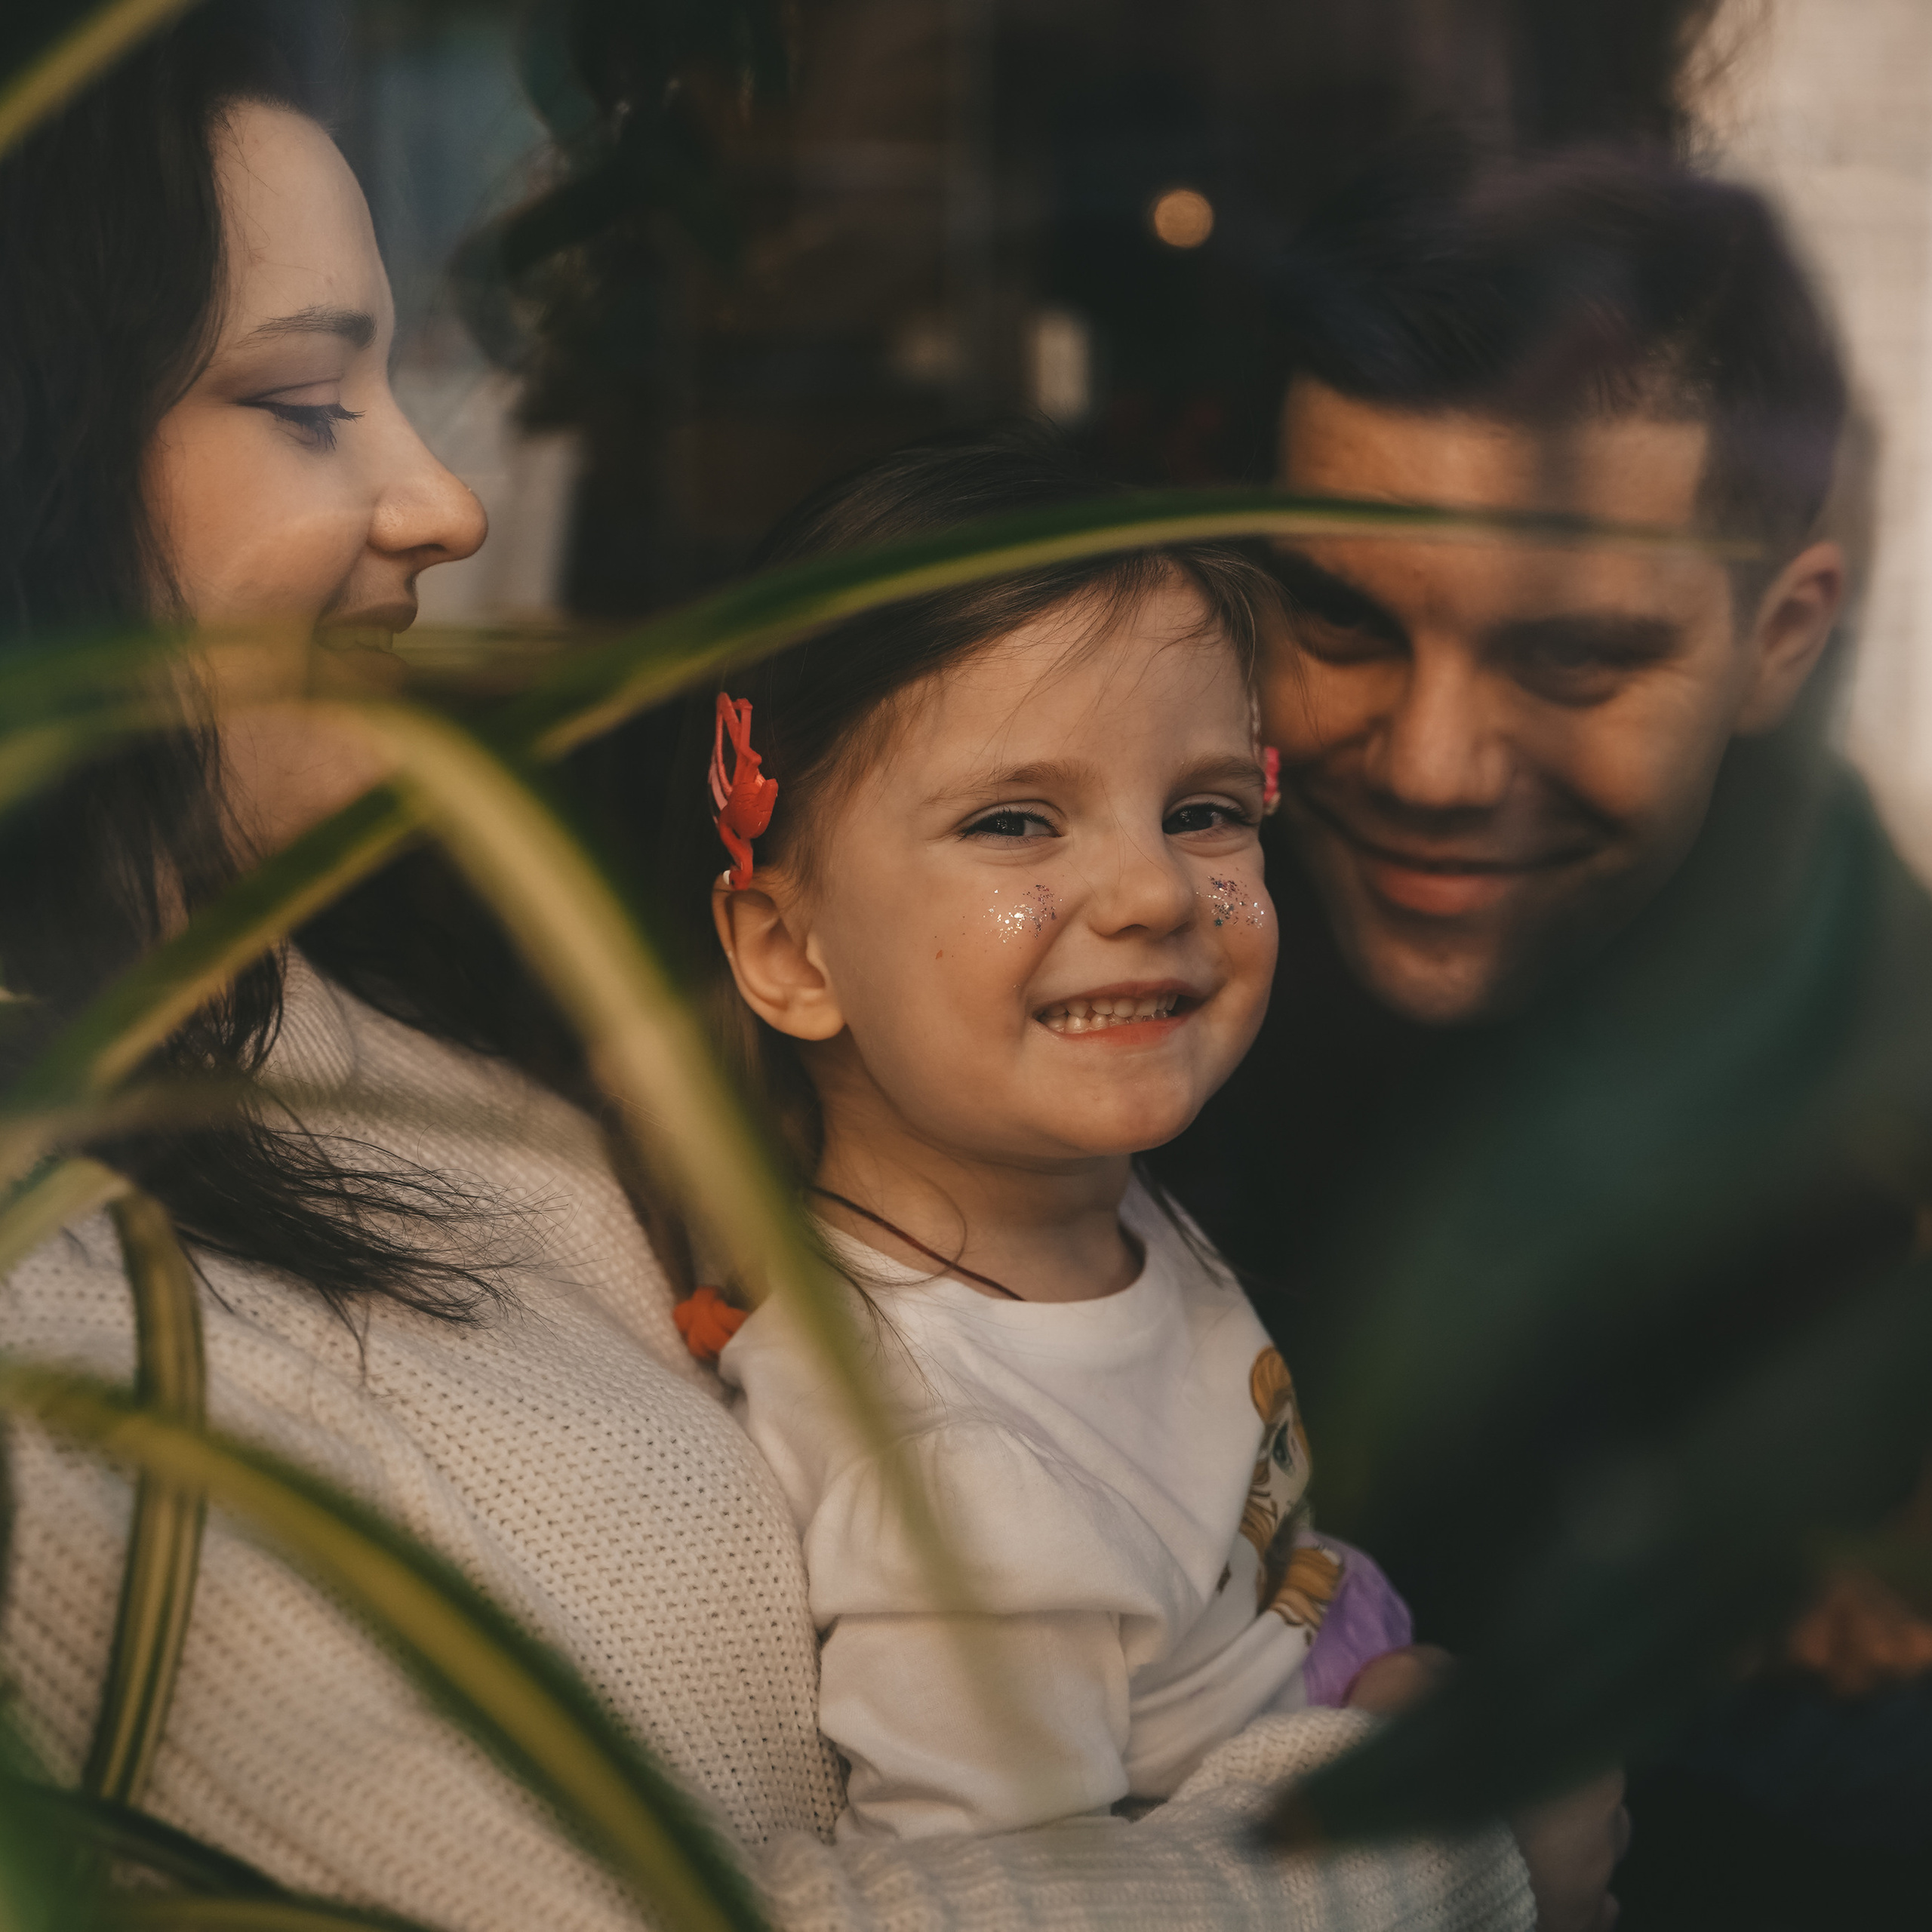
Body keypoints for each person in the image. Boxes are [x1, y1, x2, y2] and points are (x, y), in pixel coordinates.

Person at [0, 15, 1604, 1930]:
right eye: (305, 401)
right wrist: (1448, 1824)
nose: (446, 503)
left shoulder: (308, 992)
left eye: (1202, 807)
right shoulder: (68, 1333)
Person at [1153, 138, 1932, 1927]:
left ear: (1778, 637)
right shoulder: (1108, 932)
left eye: (1574, 660)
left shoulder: (1820, 913)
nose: (1429, 766)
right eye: (1338, 618)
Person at [662, 430, 1418, 1842]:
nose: (1153, 890)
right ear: (791, 953)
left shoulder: (1092, 1208)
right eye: (1017, 820)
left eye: (1203, 811)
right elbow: (1038, 1902)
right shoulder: (964, 1493)